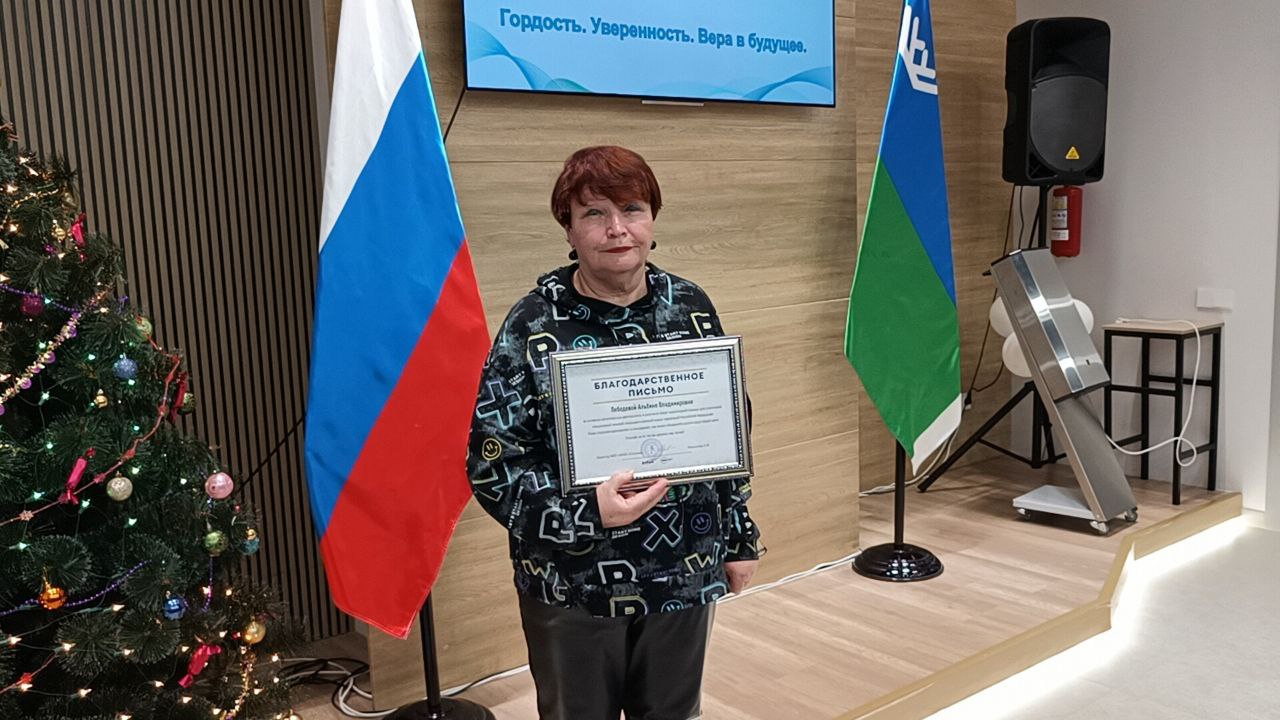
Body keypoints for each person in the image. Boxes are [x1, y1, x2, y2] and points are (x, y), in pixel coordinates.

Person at [466, 145, 763, 720]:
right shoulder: (532, 323)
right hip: (571, 582)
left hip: (683, 570)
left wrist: (739, 537)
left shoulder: (690, 307)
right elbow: (493, 466)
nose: (617, 229)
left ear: (652, 219)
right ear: (569, 230)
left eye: (631, 209)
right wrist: (585, 514)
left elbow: (728, 431)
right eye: (594, 213)